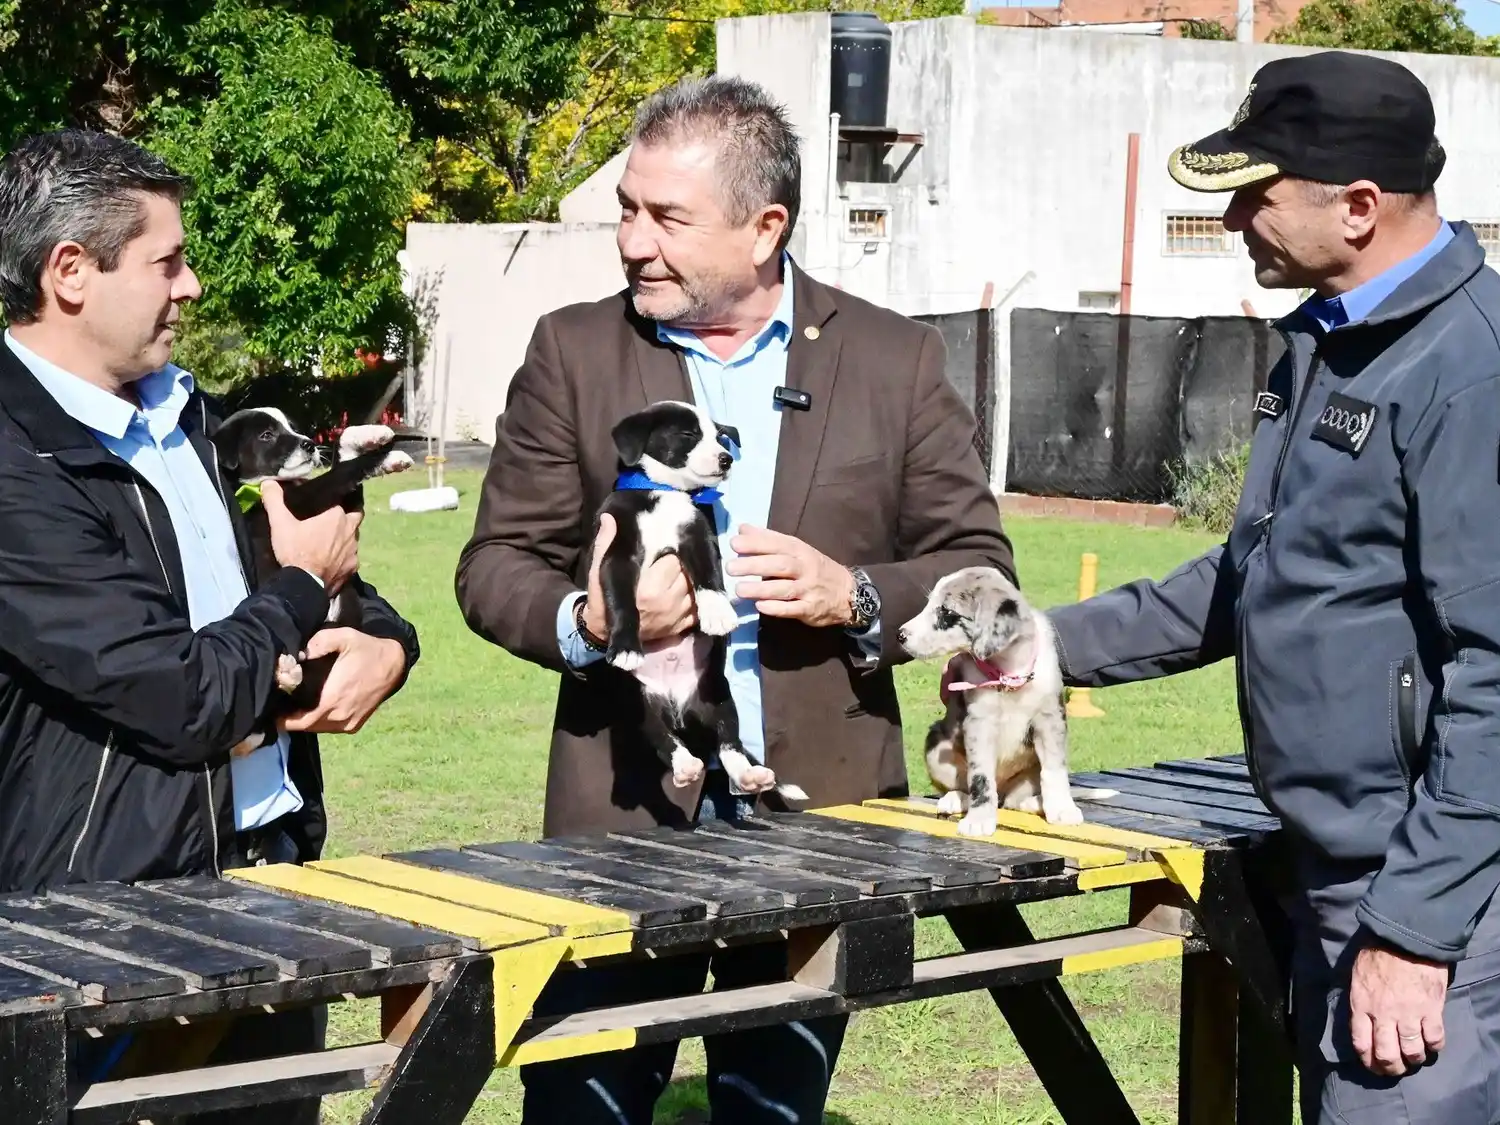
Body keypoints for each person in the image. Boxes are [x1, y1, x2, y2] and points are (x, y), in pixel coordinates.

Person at [457, 74, 1014, 1124]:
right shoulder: (572, 350)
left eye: (667, 218)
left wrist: (852, 595)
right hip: (618, 814)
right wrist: (588, 623)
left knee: (770, 1112)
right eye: (628, 208)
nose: (631, 241)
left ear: (767, 228)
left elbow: (981, 566)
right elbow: (493, 565)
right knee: (580, 1107)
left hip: (816, 825)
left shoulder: (896, 359)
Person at [1049, 51, 1500, 1123]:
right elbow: (1258, 575)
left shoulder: (1467, 372)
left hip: (1427, 891)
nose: (1237, 217)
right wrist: (1037, 644)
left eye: (1257, 193)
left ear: (1357, 206)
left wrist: (1414, 932)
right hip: (1335, 870)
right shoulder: (1331, 346)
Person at [0, 128, 419, 1121]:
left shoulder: (196, 418)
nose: (190, 285)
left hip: (270, 882)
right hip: (100, 924)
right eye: (167, 260)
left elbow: (309, 560)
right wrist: (302, 599)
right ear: (71, 273)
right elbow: (181, 693)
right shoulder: (17, 467)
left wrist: (387, 644)